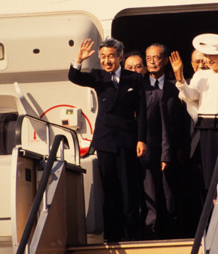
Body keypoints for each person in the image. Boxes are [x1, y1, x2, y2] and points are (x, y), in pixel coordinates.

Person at [68, 37, 146, 241]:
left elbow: (142, 111)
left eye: (110, 56)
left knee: (130, 190)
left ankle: (133, 235)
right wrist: (79, 58)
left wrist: (141, 139)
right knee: (109, 189)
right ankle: (112, 237)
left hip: (128, 139)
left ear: (120, 56)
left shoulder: (134, 78)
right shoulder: (98, 76)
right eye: (103, 57)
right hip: (105, 140)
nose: (106, 61)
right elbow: (74, 77)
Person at [169, 33, 218, 192]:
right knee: (209, 173)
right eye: (207, 55)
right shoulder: (200, 74)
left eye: (214, 56)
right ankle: (211, 206)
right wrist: (180, 79)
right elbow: (191, 96)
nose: (209, 59)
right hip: (205, 128)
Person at [141, 43, 188, 239]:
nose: (152, 62)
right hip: (145, 150)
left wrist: (176, 149)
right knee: (149, 193)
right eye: (149, 58)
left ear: (165, 60)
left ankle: (173, 232)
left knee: (170, 195)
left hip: (171, 149)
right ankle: (150, 233)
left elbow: (180, 121)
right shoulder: (139, 88)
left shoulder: (174, 88)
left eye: (157, 57)